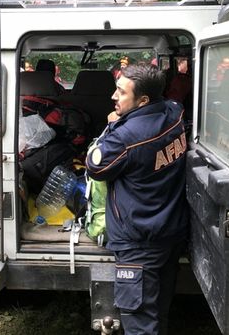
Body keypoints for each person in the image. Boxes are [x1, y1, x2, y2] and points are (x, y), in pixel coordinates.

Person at [86, 64, 188, 335]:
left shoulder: (124, 139)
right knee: (157, 314)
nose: (113, 97)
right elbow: (172, 104)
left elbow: (95, 166)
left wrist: (111, 126)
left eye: (121, 92)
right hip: (170, 233)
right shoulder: (174, 114)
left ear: (143, 100)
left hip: (138, 244)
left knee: (141, 324)